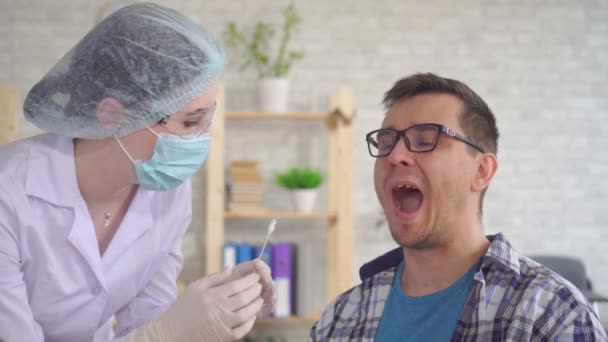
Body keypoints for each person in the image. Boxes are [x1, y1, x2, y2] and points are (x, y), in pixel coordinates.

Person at [0, 3, 275, 342]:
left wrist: (215, 307)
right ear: (113, 114)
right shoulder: (9, 195)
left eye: (207, 118)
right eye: (190, 122)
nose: (202, 139)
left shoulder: (169, 192)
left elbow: (148, 318)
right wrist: (163, 334)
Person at [309, 73, 607, 341]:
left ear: (481, 172)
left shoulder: (552, 315)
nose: (395, 155)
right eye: (386, 142)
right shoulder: (342, 317)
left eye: (426, 139)